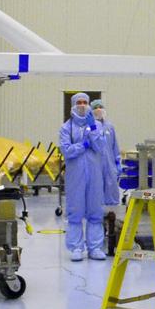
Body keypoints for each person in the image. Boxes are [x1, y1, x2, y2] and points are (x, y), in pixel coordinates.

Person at [59, 92, 107, 262]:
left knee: (95, 209)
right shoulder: (67, 127)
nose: (82, 105)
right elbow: (66, 150)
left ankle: (94, 247)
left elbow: (100, 146)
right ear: (73, 105)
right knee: (75, 210)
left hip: (94, 174)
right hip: (75, 175)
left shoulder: (97, 126)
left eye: (85, 102)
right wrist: (83, 145)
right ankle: (76, 247)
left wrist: (93, 128)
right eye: (78, 102)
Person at [91, 99, 122, 208]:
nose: (98, 109)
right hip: (95, 162)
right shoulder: (90, 126)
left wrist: (118, 162)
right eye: (95, 107)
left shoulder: (110, 127)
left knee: (111, 183)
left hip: (109, 162)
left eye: (100, 107)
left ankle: (112, 204)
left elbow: (115, 145)